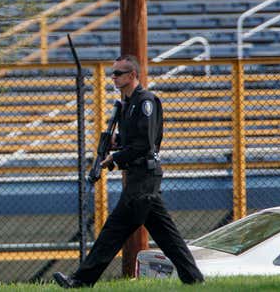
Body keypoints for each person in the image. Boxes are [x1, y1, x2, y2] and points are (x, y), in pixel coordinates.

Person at [53, 55, 204, 288]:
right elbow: (133, 140)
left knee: (113, 231)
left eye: (118, 73)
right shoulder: (127, 105)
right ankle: (194, 279)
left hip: (143, 178)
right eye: (113, 73)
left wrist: (116, 156)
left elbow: (145, 143)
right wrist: (117, 142)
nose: (113, 77)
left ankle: (81, 281)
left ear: (132, 75)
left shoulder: (145, 102)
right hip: (139, 178)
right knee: (167, 236)